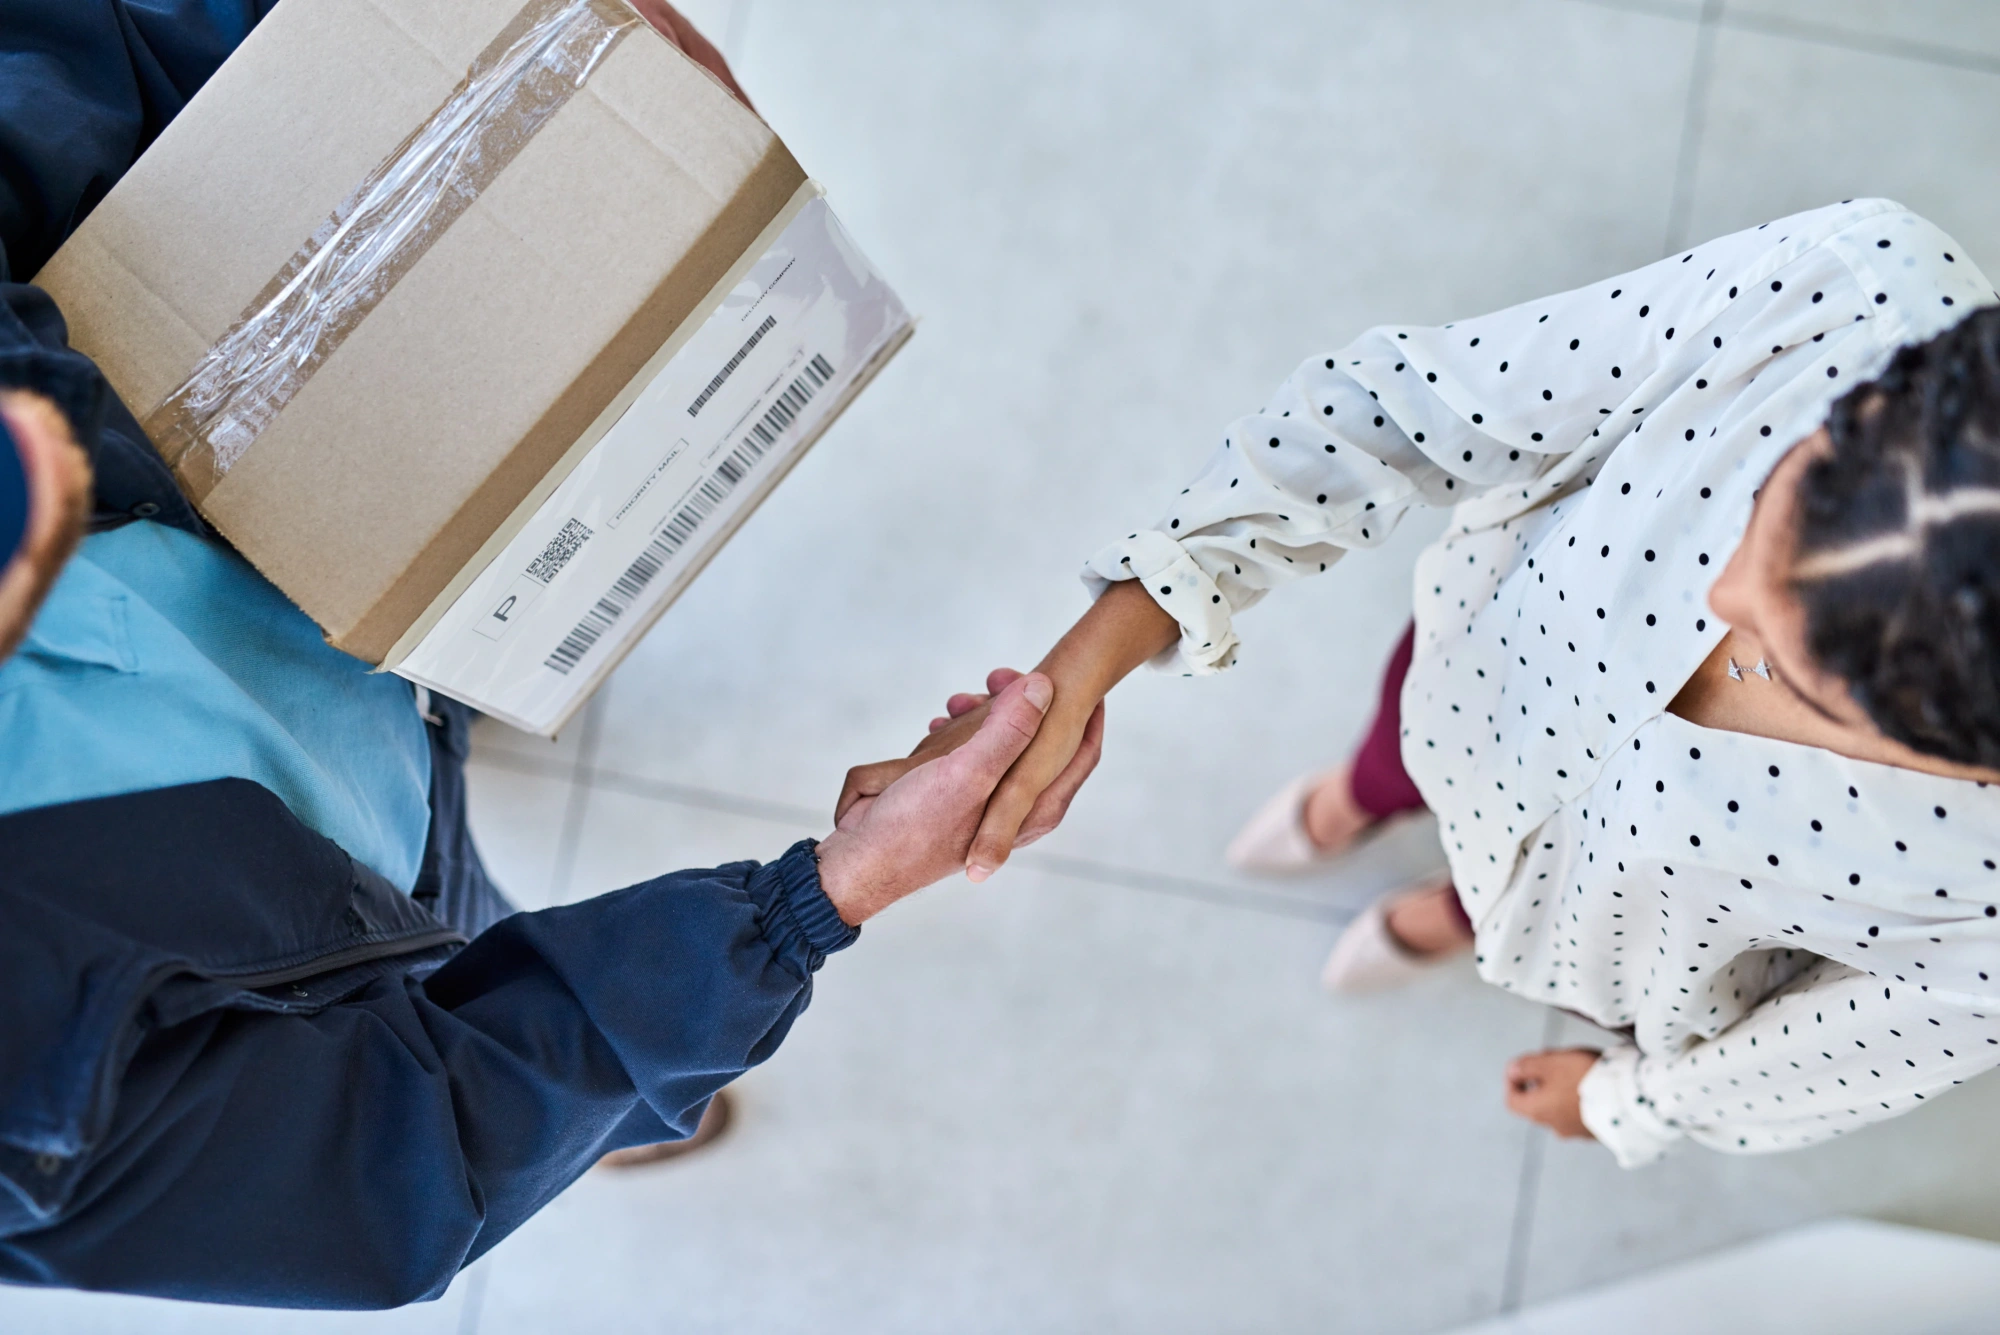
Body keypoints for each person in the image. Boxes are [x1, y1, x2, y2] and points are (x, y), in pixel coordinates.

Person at [0, 0, 1102, 1309]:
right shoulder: (35, 1092)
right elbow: (402, 1154)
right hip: (333, 878)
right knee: (466, 964)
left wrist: (518, 59)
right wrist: (801, 909)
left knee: (463, 820)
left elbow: (62, 74)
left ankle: (560, 960)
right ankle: (618, 1101)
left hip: (307, 587)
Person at [857, 198, 2000, 1167]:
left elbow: (1825, 1058)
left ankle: (1449, 913)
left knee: (1531, 906)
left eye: (1801, 668)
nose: (1718, 592)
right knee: (1395, 747)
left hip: (1607, 926)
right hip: (1475, 678)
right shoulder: (1851, 287)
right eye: (1782, 487)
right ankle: (1359, 795)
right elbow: (1413, 406)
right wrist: (1082, 666)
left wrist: (1623, 1104)